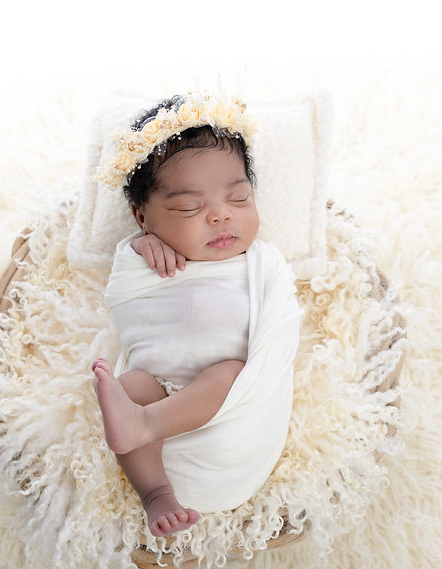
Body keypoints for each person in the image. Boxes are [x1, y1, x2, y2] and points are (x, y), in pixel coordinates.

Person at [91, 92, 300, 538]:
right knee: (132, 386)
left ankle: (143, 425)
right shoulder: (143, 258)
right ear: (142, 215)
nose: (221, 215)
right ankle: (154, 492)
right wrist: (136, 248)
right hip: (162, 395)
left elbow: (280, 330)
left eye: (239, 198)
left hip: (231, 408)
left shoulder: (261, 265)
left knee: (227, 371)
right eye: (188, 207)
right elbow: (122, 299)